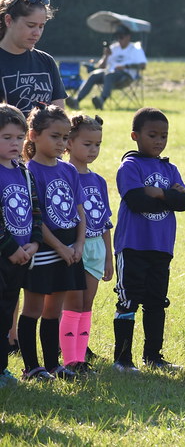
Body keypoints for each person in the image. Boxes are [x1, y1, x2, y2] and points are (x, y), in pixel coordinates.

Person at [112, 108, 185, 373]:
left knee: (156, 301)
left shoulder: (170, 168)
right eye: (153, 135)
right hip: (133, 245)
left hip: (160, 246)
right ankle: (122, 359)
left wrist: (158, 193)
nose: (159, 141)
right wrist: (168, 195)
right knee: (128, 300)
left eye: (164, 136)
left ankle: (153, 357)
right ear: (136, 135)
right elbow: (135, 201)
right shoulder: (130, 166)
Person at [20, 106, 85, 380]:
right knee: (34, 309)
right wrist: (60, 247)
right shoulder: (27, 172)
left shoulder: (69, 170)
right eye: (55, 136)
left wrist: (78, 245)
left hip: (70, 249)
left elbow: (79, 211)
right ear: (34, 136)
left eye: (65, 137)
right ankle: (32, 368)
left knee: (53, 311)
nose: (62, 143)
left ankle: (52, 365)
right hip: (46, 249)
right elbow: (37, 219)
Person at [59, 115, 112, 375]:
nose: (93, 150)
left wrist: (109, 258)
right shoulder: (64, 175)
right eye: (87, 144)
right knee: (72, 305)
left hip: (96, 249)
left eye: (98, 145)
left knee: (87, 305)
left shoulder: (99, 181)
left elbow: (105, 222)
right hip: (73, 248)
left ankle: (81, 355)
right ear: (69, 142)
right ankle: (69, 359)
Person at [0, 105, 41, 387]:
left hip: (23, 256)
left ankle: (2, 368)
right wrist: (10, 247)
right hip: (6, 255)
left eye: (18, 138)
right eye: (6, 138)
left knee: (6, 315)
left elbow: (35, 210)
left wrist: (34, 242)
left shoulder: (23, 172)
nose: (15, 144)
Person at [0, 0, 65, 114]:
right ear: (8, 20)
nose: (37, 33)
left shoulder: (46, 61)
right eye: (31, 25)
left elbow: (60, 118)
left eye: (41, 26)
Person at [66, 26, 146, 111]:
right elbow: (101, 66)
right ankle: (76, 100)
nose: (119, 39)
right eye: (117, 37)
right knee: (94, 75)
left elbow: (142, 65)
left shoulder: (136, 48)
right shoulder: (114, 47)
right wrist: (106, 55)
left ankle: (101, 100)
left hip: (126, 76)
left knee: (109, 75)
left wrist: (125, 66)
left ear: (128, 37)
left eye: (121, 37)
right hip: (109, 74)